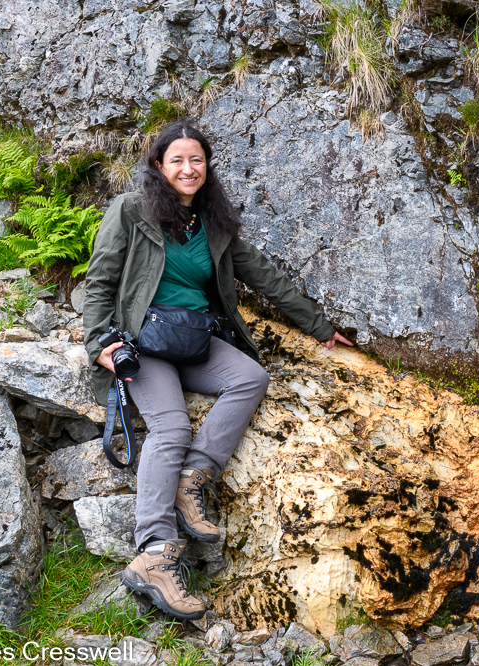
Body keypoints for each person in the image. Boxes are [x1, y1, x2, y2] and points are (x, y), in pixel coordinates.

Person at [82, 120, 353, 620]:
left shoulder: (214, 222)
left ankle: (194, 479)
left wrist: (318, 325)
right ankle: (155, 553)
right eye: (177, 160)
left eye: (197, 160)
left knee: (250, 378)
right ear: (159, 167)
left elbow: (262, 275)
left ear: (207, 166)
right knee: (171, 426)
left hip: (193, 339)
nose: (188, 169)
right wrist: (100, 341)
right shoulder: (131, 210)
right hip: (143, 343)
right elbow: (99, 281)